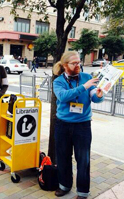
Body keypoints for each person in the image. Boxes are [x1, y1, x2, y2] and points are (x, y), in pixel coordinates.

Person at [52, 51, 104, 199]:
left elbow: (94, 96)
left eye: (79, 62)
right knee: (63, 157)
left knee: (83, 159)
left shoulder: (87, 78)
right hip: (62, 125)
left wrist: (99, 95)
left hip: (82, 126)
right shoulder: (58, 81)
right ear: (64, 65)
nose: (78, 65)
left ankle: (82, 192)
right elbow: (63, 97)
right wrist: (84, 87)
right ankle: (64, 185)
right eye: (74, 63)